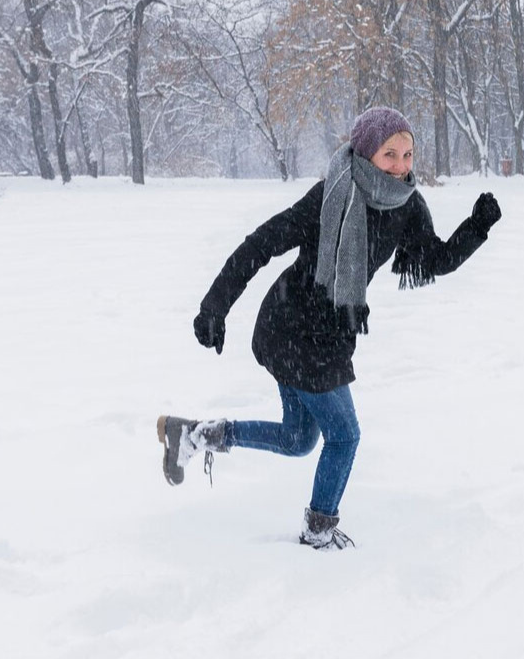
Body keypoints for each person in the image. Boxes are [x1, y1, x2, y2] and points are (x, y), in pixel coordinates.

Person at [157, 107, 500, 550]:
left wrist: (476, 228)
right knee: (344, 436)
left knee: (300, 438)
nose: (400, 165)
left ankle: (196, 434)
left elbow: (433, 260)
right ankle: (318, 532)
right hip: (289, 328)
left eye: (408, 153)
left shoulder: (406, 204)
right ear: (364, 154)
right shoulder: (330, 195)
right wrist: (214, 306)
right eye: (389, 154)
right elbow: (261, 244)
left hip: (331, 335)